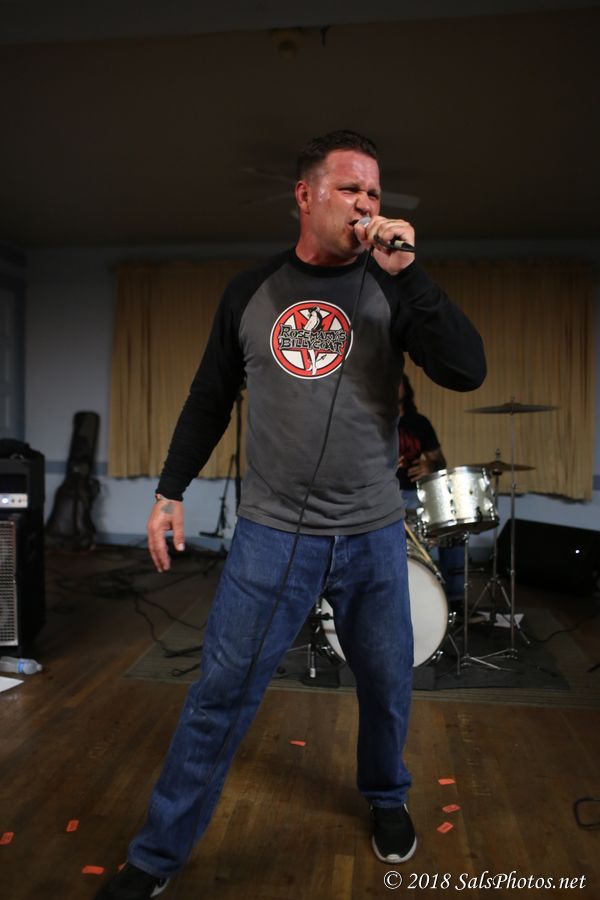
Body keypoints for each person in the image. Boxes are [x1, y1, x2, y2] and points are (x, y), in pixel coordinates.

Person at [96, 129, 486, 900]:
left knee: (387, 684)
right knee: (221, 693)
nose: (366, 205)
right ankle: (156, 857)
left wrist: (410, 274)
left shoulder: (392, 289)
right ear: (306, 197)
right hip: (273, 535)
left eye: (375, 192)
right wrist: (170, 491)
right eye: (350, 189)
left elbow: (466, 370)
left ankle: (386, 795)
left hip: (374, 531)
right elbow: (209, 398)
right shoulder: (251, 291)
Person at [396, 373, 464, 601]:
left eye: (399, 380)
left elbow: (440, 461)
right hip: (382, 494)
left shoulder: (420, 423)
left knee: (454, 529)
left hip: (416, 493)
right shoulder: (374, 422)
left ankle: (454, 600)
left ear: (406, 388)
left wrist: (430, 465)